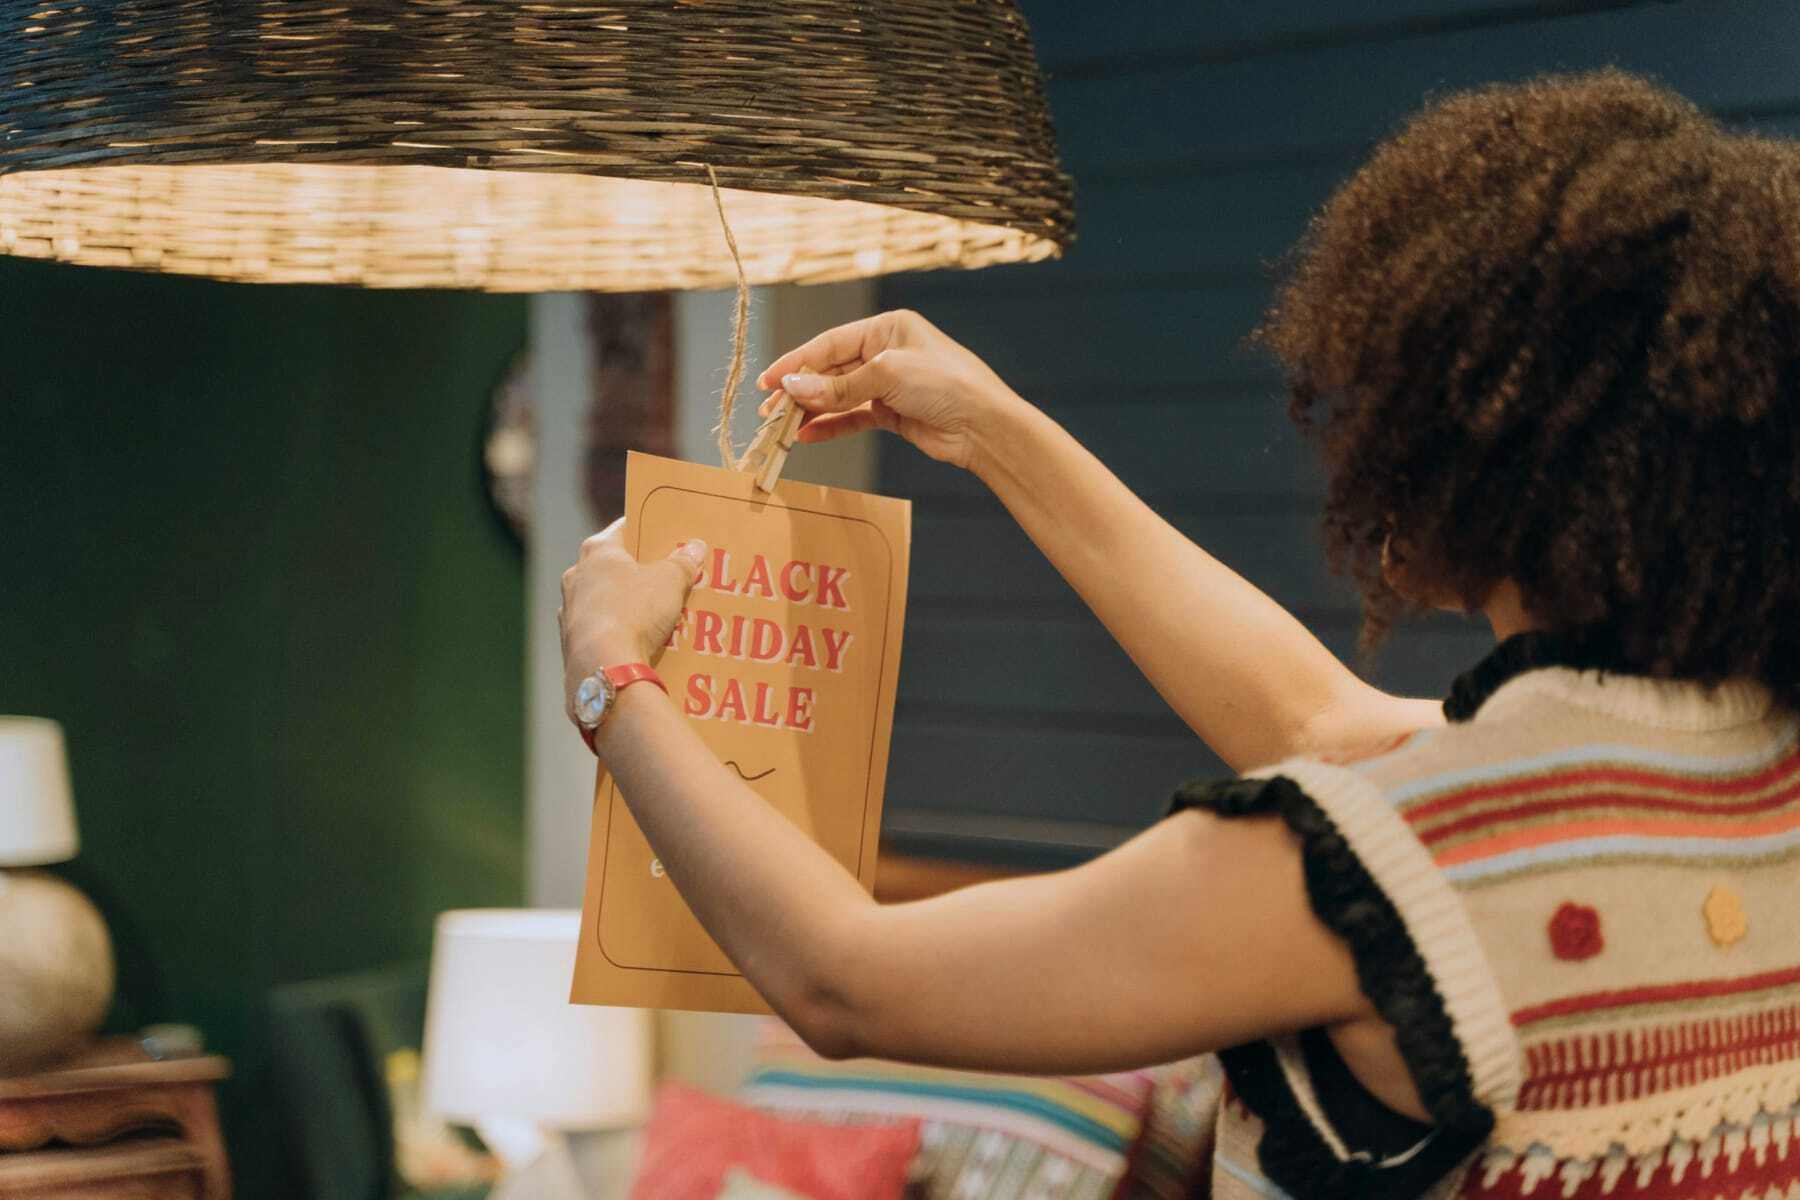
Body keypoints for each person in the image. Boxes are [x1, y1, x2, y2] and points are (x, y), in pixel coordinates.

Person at [558, 70, 1800, 1198]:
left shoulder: (1381, 869)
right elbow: (1320, 721)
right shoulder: (1745, 771)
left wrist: (615, 677)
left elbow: (844, 980)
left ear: (1472, 436)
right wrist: (991, 425)